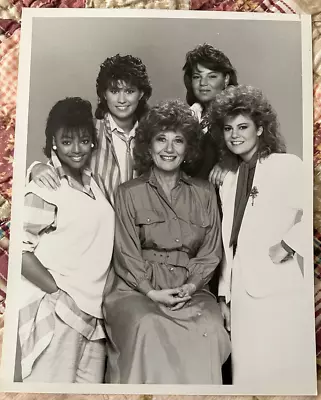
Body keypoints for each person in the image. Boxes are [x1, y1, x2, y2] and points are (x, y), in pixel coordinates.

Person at [102, 100, 231, 384]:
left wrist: (191, 286)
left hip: (190, 289)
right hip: (136, 290)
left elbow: (210, 252)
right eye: (161, 140)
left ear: (189, 149)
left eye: (178, 141)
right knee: (147, 325)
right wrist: (150, 291)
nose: (169, 149)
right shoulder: (128, 192)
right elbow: (125, 252)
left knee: (209, 328)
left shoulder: (205, 192)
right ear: (148, 147)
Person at [210, 85, 312, 389]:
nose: (235, 135)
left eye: (243, 127)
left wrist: (289, 245)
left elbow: (315, 214)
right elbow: (231, 243)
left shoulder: (286, 165)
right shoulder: (228, 179)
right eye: (228, 128)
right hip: (241, 297)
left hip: (282, 291)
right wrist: (223, 296)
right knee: (249, 379)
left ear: (261, 128)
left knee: (285, 375)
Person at [18, 97, 114, 383]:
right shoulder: (45, 186)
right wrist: (58, 295)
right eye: (67, 141)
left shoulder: (94, 183)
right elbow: (19, 252)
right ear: (53, 142)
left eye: (84, 141)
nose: (77, 149)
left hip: (95, 319)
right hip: (61, 313)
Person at [27, 54, 152, 205]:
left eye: (129, 91)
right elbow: (60, 155)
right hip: (99, 223)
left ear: (141, 94)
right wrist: (35, 168)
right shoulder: (90, 130)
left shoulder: (151, 134)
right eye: (114, 91)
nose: (122, 100)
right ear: (104, 94)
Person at [183, 43, 238, 182]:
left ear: (226, 79)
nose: (203, 83)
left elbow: (257, 150)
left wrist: (230, 162)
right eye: (197, 76)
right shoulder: (189, 116)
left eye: (212, 76)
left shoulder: (237, 113)